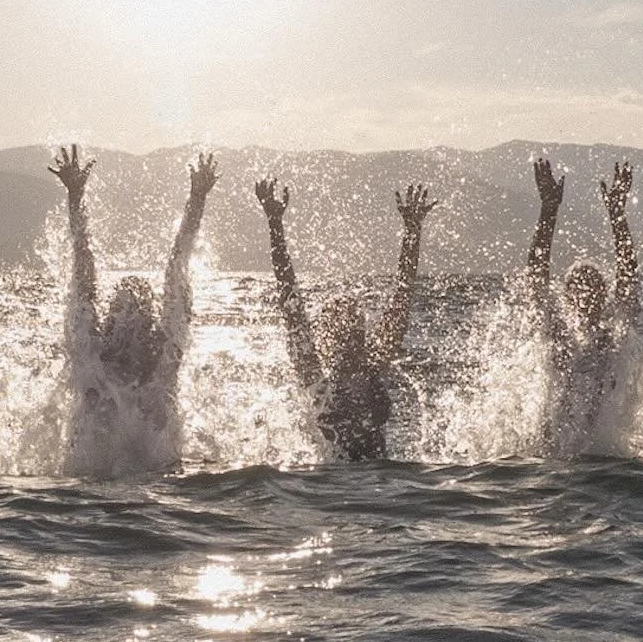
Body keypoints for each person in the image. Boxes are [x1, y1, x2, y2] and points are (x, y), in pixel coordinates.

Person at [49, 145, 217, 475]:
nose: (132, 327)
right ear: (109, 325)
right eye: (124, 316)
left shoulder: (164, 366)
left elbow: (177, 269)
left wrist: (197, 200)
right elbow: (83, 273)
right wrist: (74, 198)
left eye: (138, 317)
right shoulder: (92, 361)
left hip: (148, 492)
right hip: (93, 496)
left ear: (153, 328)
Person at [254, 176, 436, 462]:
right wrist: (274, 224)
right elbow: (290, 300)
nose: (350, 332)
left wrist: (413, 233)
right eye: (344, 326)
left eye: (354, 324)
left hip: (376, 485)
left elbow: (402, 300)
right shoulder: (316, 378)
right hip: (337, 486)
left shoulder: (372, 365)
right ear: (328, 335)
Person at [524, 158, 641, 452]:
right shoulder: (558, 331)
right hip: (553, 444)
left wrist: (618, 216)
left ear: (605, 294)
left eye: (594, 285)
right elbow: (536, 277)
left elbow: (628, 275)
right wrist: (548, 211)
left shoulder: (613, 333)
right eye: (578, 285)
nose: (586, 292)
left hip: (599, 447)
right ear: (566, 294)